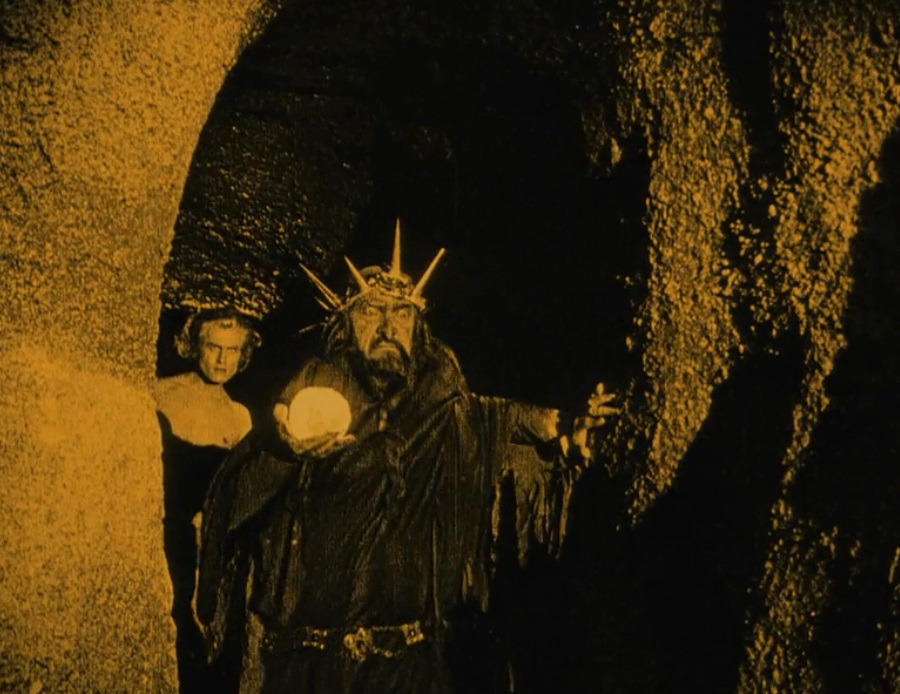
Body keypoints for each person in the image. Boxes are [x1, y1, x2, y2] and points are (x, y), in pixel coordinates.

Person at [197, 223, 616, 693]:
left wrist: (568, 428)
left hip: (411, 671)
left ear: (419, 328)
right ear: (344, 324)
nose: (387, 328)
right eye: (370, 311)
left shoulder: (447, 407)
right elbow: (239, 498)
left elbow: (519, 425)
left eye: (401, 314)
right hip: (312, 670)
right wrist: (284, 451)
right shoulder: (310, 394)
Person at [157, 307, 261, 692]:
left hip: (214, 552)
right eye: (213, 347)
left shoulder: (240, 417)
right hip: (166, 543)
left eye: (232, 350)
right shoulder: (159, 395)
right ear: (193, 344)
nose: (222, 360)